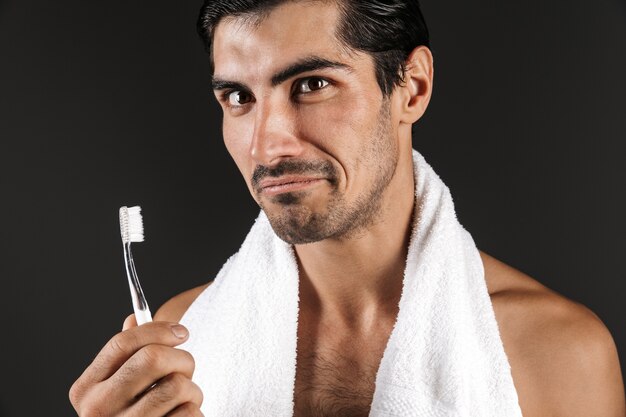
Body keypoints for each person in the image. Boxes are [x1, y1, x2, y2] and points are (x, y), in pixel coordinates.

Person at [69, 1, 626, 416]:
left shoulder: (557, 354)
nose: (267, 146)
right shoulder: (181, 336)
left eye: (311, 84)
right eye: (240, 98)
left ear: (411, 88)